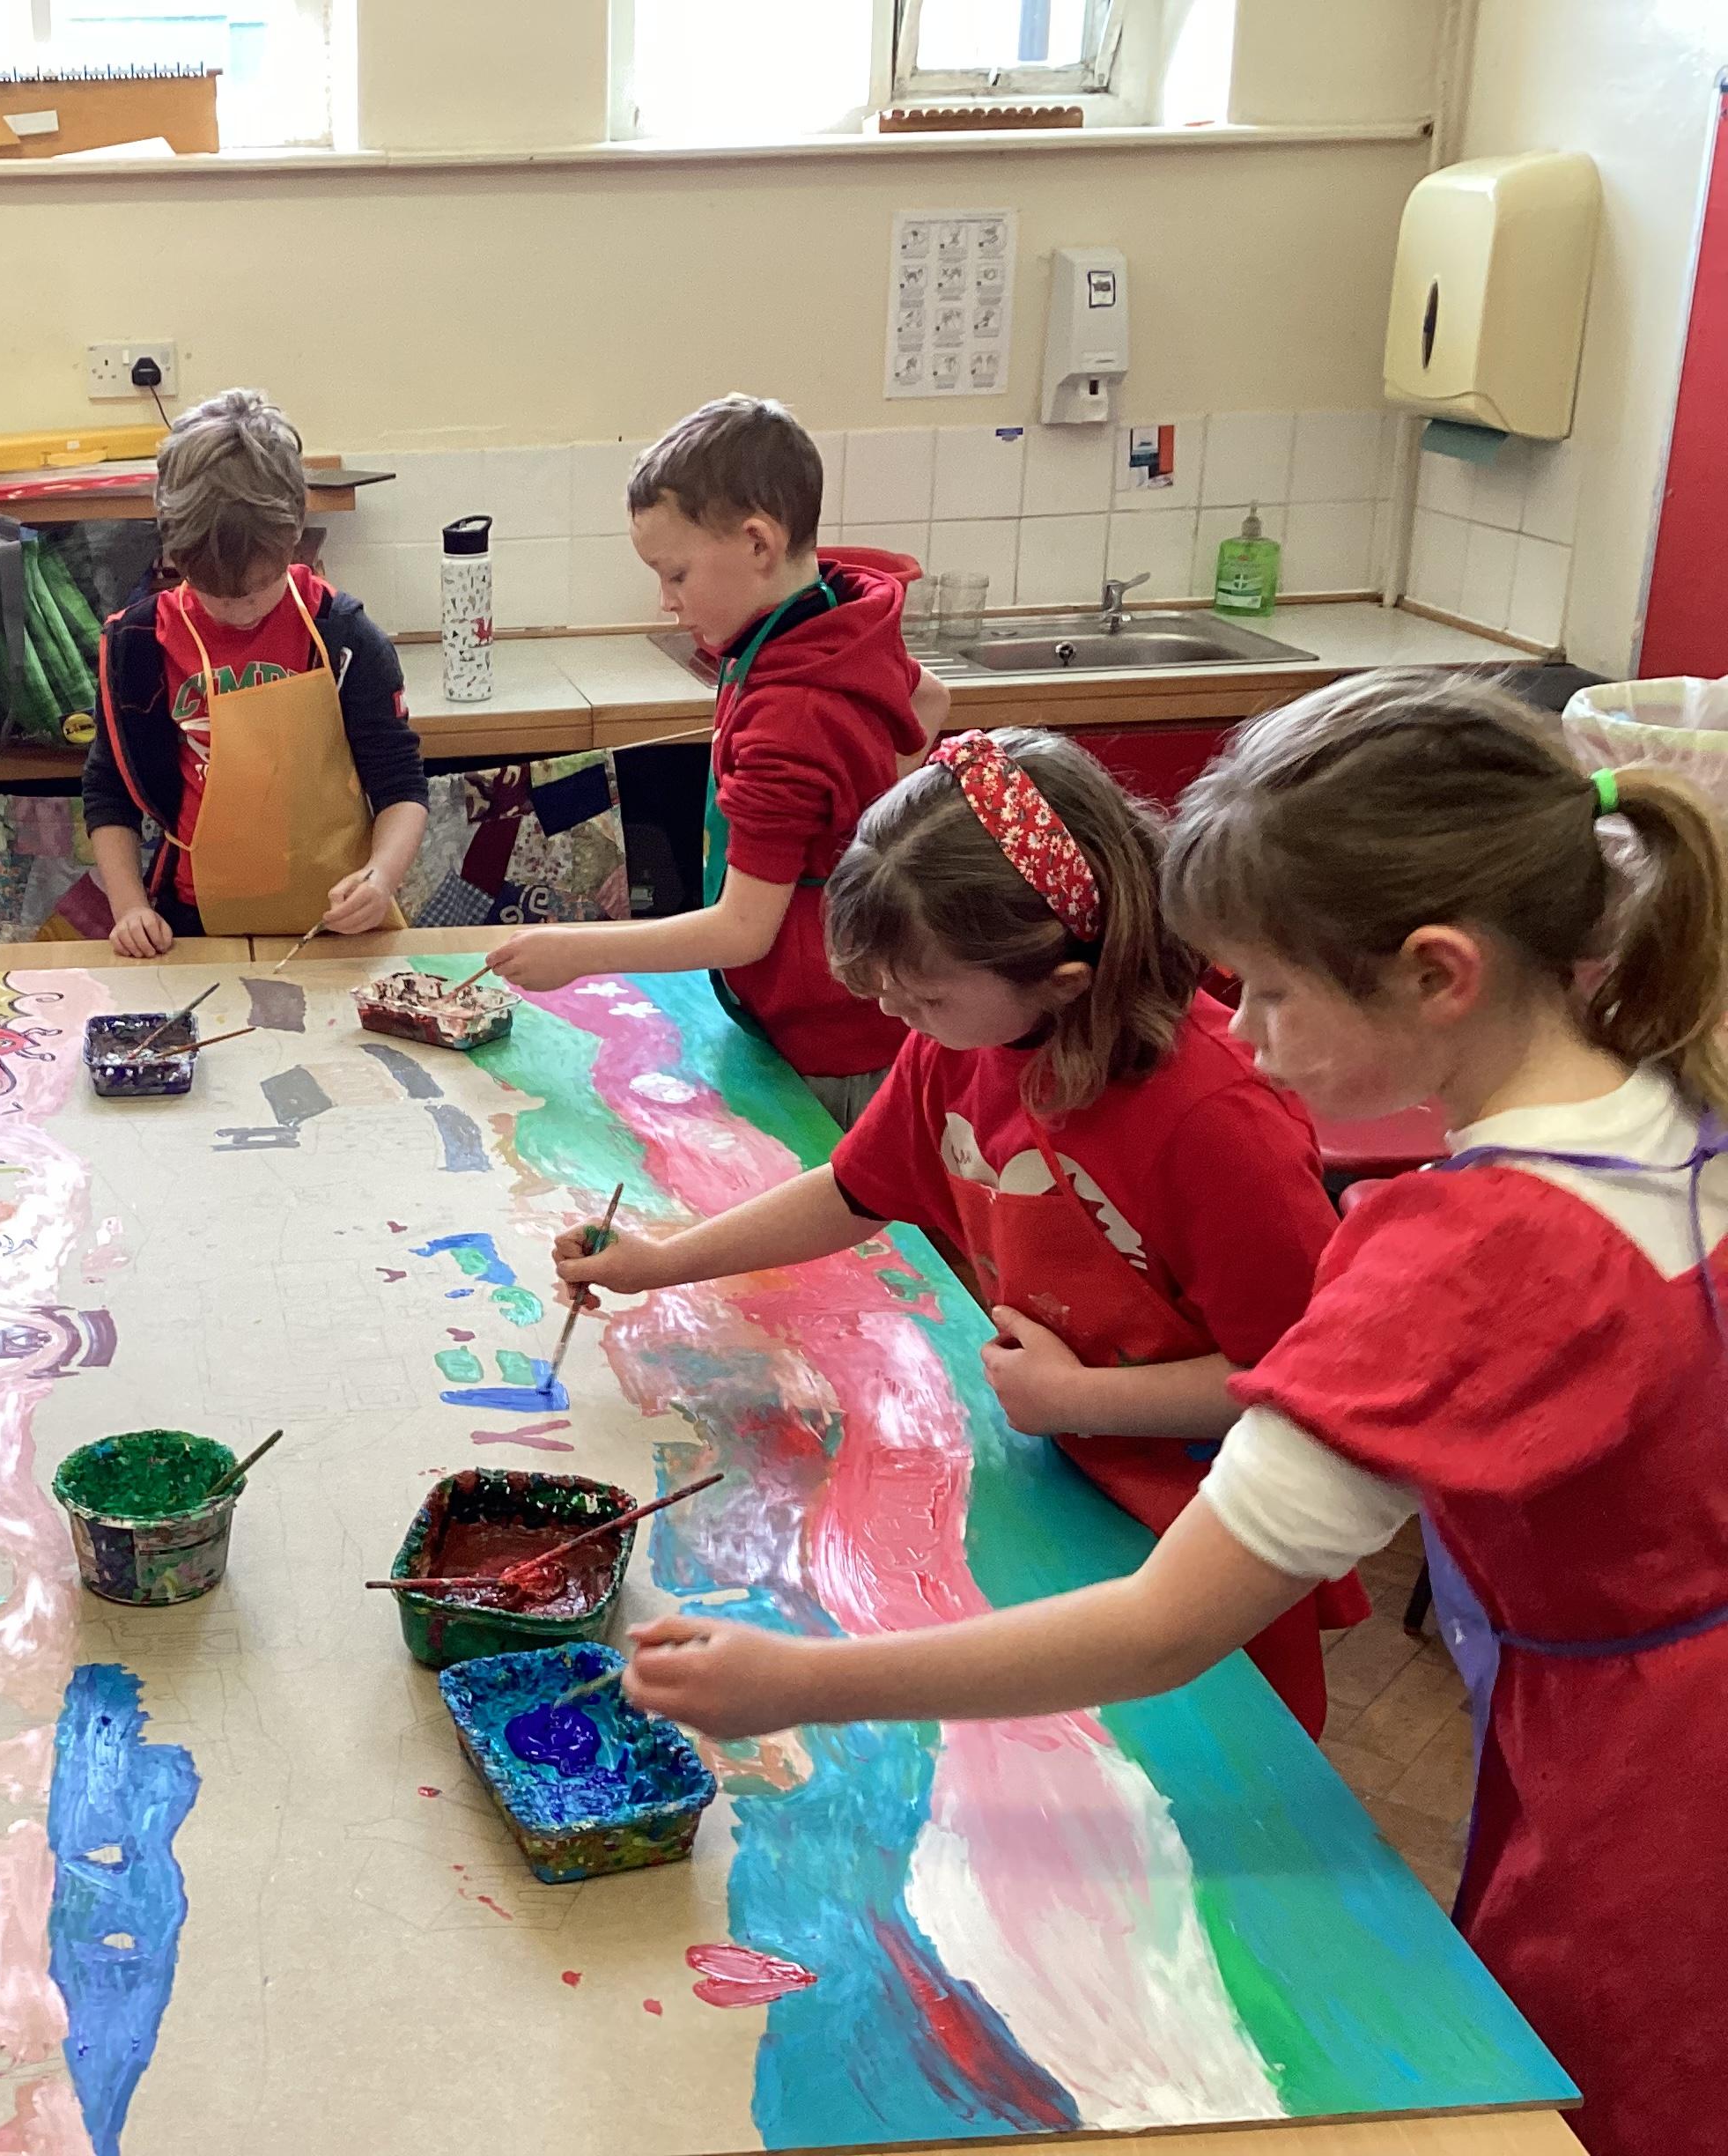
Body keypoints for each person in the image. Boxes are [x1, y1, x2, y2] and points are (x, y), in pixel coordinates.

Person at [612, 674, 1728, 2156]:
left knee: (1605, 2090)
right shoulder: (1666, 1090)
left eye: (1267, 987)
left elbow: (1158, 1630)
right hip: (1631, 1693)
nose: (1241, 1030)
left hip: (1658, 1781)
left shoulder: (1470, 1249)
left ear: (1438, 974)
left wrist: (799, 1680)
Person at [559, 728, 1362, 1733]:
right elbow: (854, 1189)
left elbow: (1307, 1386)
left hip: (1206, 1539)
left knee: (1202, 1772)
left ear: (1063, 979)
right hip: (1062, 1476)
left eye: (925, 994)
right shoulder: (966, 1040)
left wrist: (1084, 1398)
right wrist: (665, 1262)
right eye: (886, 990)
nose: (899, 1014)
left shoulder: (1217, 1123)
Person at [486, 396, 935, 1129]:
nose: (665, 601)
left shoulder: (791, 718)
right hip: (834, 1005)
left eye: (677, 574)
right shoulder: (833, 622)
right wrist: (877, 835)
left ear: (758, 544)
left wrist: (576, 950)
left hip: (830, 1047)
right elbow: (930, 700)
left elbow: (741, 931)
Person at [83, 388, 426, 950]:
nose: (239, 611)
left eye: (257, 590)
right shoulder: (137, 645)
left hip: (333, 917)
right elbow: (108, 790)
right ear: (174, 550)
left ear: (295, 532)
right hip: (191, 922)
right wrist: (130, 908)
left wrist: (380, 876)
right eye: (214, 593)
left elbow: (401, 784)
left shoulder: (342, 636)